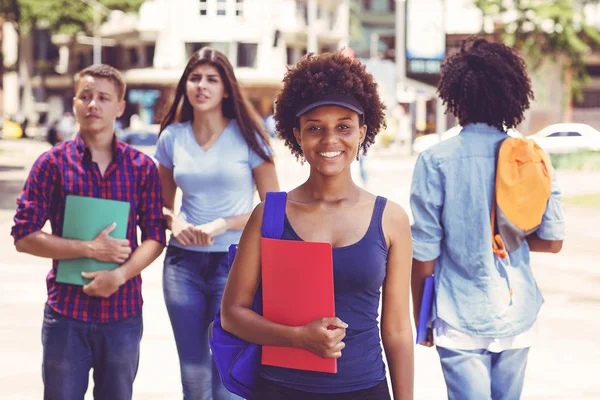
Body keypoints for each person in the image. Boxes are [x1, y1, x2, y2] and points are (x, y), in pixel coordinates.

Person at [221, 52, 414, 400]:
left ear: (362, 132)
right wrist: (298, 337)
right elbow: (232, 314)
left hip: (364, 388)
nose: (330, 141)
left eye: (343, 126)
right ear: (297, 135)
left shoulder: (391, 219)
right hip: (281, 389)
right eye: (315, 128)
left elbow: (398, 329)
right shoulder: (269, 215)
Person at [410, 38, 565, 400]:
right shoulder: (533, 157)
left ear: (456, 99)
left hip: (458, 314)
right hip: (516, 313)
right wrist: (508, 232)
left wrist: (423, 320)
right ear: (511, 96)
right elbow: (553, 242)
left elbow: (424, 257)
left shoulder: (436, 160)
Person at [11, 64, 166, 400]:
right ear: (75, 103)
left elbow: (155, 236)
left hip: (122, 314)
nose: (93, 104)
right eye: (86, 96)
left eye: (103, 98)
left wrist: (119, 275)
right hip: (66, 314)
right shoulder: (51, 164)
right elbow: (23, 236)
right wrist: (91, 249)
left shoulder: (141, 168)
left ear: (120, 107)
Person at [154, 47, 279, 400]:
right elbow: (159, 206)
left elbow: (273, 208)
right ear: (185, 86)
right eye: (195, 78)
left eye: (212, 79)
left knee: (227, 378)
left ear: (227, 88)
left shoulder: (249, 136)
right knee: (193, 376)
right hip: (182, 266)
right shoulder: (171, 138)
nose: (202, 86)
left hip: (234, 264)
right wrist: (174, 223)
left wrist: (222, 224)